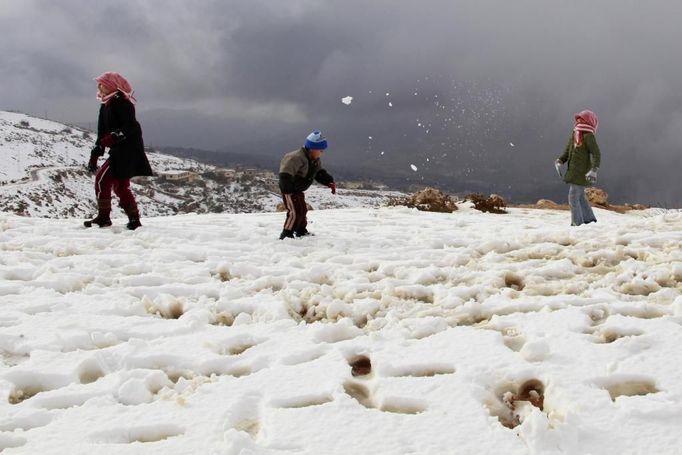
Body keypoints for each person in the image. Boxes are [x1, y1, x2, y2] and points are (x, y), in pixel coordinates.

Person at [84, 72, 153, 230]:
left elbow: (131, 126)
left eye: (103, 84)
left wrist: (115, 136)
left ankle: (103, 218)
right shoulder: (105, 105)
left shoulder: (122, 103)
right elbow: (102, 133)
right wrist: (95, 153)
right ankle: (134, 220)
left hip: (128, 150)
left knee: (102, 179)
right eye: (99, 84)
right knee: (121, 186)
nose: (100, 87)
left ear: (111, 86)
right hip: (119, 149)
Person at [278, 130, 336, 239]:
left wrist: (329, 181)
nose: (322, 152)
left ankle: (301, 230)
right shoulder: (295, 158)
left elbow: (318, 173)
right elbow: (285, 174)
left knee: (302, 210)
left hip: (298, 190)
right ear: (312, 149)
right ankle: (287, 233)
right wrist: (288, 190)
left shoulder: (315, 160)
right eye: (321, 150)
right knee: (295, 212)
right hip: (290, 190)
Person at [555, 110, 601, 226]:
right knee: (580, 197)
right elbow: (568, 151)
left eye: (582, 119)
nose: (579, 121)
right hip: (574, 171)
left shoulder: (588, 136)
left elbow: (596, 153)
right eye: (578, 119)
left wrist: (594, 169)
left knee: (573, 197)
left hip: (581, 172)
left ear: (589, 121)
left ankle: (577, 223)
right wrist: (560, 160)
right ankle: (589, 219)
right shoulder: (575, 134)